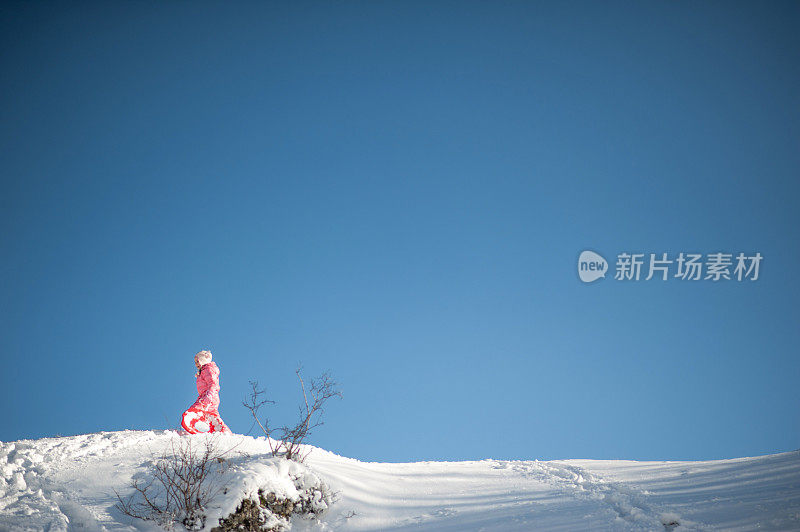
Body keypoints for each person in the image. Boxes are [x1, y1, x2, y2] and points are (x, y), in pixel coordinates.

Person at [181, 350, 231, 434]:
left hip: (209, 396)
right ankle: (223, 431)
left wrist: (209, 395)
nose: (196, 364)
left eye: (198, 361)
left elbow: (213, 383)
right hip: (208, 395)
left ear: (203, 360)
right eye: (195, 362)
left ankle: (193, 425)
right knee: (212, 415)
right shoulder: (203, 371)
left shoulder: (208, 369)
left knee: (195, 410)